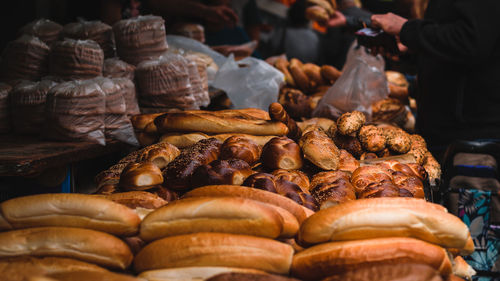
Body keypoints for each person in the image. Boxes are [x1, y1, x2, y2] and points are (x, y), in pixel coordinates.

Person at [369, 0, 500, 155]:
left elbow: (472, 40)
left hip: (472, 136)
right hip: (444, 127)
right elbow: (453, 40)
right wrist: (413, 51)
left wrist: (406, 29)